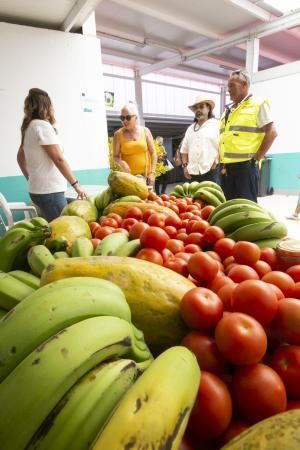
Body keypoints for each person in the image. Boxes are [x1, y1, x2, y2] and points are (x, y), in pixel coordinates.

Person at [17, 88, 87, 222]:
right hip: (49, 192)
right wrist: (76, 185)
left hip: (40, 191)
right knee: (65, 230)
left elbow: (20, 157)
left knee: (56, 228)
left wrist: (31, 178)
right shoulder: (42, 126)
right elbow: (58, 159)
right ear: (46, 106)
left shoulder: (28, 127)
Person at [219, 69, 278, 202]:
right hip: (226, 168)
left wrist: (257, 157)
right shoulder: (228, 110)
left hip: (245, 167)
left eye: (232, 86)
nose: (229, 90)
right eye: (228, 87)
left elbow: (272, 132)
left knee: (245, 208)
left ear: (244, 84)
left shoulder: (257, 104)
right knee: (227, 206)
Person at [112, 102, 157, 187]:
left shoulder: (145, 131)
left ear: (135, 117)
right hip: (128, 179)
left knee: (147, 200)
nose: (124, 121)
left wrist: (153, 173)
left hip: (146, 177)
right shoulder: (118, 135)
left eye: (128, 117)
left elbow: (153, 153)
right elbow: (115, 156)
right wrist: (122, 163)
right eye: (122, 118)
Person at [180, 94, 220, 183]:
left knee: (210, 196)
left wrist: (216, 161)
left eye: (201, 107)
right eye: (195, 108)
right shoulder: (190, 129)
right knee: (192, 196)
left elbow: (223, 145)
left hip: (210, 171)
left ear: (208, 108)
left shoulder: (217, 125)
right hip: (192, 173)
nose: (198, 110)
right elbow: (184, 150)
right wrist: (185, 166)